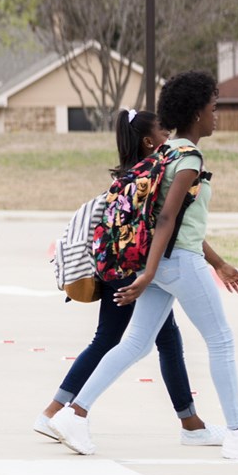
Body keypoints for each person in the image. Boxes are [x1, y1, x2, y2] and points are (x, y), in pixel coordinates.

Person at [48, 71, 238, 460]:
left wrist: (155, 270)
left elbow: (164, 216)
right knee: (221, 339)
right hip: (178, 262)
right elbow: (167, 218)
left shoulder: (165, 153)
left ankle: (74, 414)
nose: (216, 116)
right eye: (213, 109)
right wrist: (147, 275)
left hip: (160, 263)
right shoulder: (189, 157)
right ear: (196, 113)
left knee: (135, 344)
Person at [33, 110, 221, 448]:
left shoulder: (130, 176)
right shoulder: (153, 177)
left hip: (117, 266)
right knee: (121, 340)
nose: (169, 136)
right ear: (150, 141)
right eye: (164, 131)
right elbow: (171, 225)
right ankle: (58, 412)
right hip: (134, 270)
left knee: (151, 339)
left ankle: (189, 421)